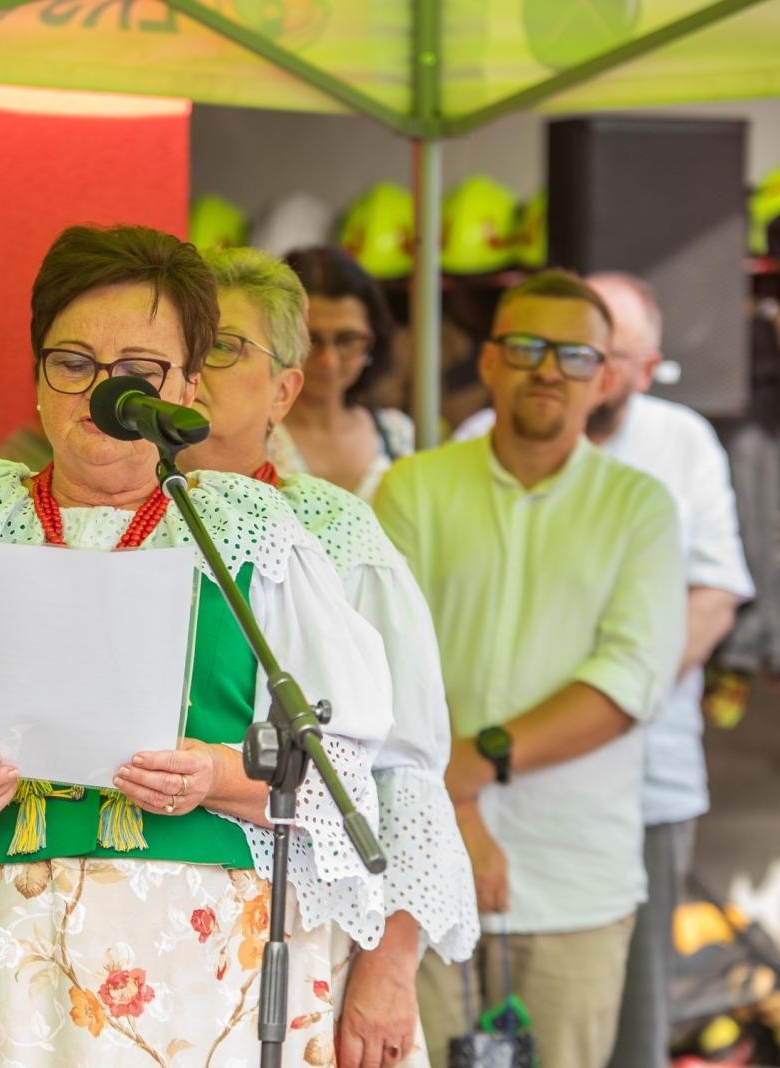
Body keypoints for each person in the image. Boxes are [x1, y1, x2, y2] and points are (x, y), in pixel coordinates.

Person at [0, 224, 396, 1065]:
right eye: (74, 364)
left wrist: (217, 774)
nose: (101, 392)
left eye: (137, 372)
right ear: (37, 379)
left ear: (190, 390)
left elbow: (340, 753)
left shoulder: (245, 529)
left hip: (191, 957)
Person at [374, 270, 686, 1068]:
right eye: (526, 347)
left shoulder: (640, 507)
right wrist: (460, 812)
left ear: (605, 379)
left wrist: (471, 768)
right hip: (421, 861)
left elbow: (629, 681)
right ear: (488, 363)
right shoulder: (411, 488)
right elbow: (382, 662)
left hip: (575, 874)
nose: (548, 368)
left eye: (574, 354)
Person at [179, 244, 479, 1065]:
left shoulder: (336, 528)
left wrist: (389, 968)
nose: (198, 366)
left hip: (304, 925)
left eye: (229, 346)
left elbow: (407, 767)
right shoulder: (108, 515)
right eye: (186, 341)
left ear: (285, 389)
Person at [269, 245, 413, 502]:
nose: (329, 360)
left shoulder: (396, 433)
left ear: (373, 341)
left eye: (347, 340)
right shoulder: (253, 435)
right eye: (311, 339)